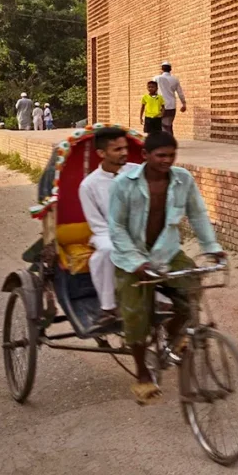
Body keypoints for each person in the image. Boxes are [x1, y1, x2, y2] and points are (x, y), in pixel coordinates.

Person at [109, 131, 224, 405]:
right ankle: (141, 376)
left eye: (171, 155)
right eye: (161, 155)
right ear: (145, 156)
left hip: (167, 252)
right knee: (136, 315)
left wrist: (212, 247)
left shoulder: (183, 179)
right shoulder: (124, 184)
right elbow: (116, 227)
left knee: (192, 287)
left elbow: (197, 213)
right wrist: (137, 262)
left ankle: (175, 338)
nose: (167, 160)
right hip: (132, 258)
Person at [78, 127, 133, 329]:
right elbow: (97, 225)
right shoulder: (89, 185)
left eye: (125, 148)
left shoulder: (137, 172)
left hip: (138, 230)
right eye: (117, 149)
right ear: (101, 153)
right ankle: (108, 307)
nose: (124, 153)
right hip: (106, 234)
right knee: (109, 250)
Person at [153, 62, 187, 134]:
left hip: (159, 106)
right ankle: (169, 142)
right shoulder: (175, 79)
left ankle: (166, 142)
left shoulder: (156, 78)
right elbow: (180, 93)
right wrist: (184, 104)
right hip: (171, 106)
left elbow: (153, 91)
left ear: (162, 69)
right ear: (170, 69)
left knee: (161, 126)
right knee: (168, 126)